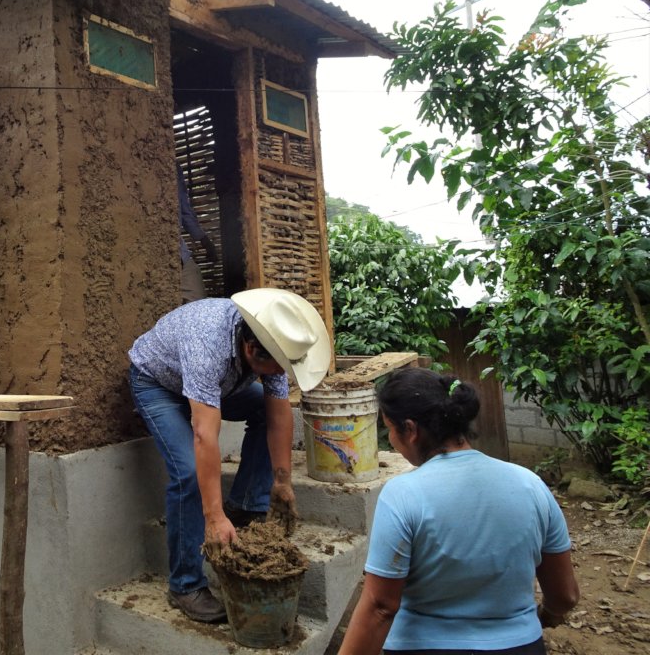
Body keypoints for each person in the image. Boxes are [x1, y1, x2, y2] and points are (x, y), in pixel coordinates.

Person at [338, 368, 580, 655]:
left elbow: (380, 607)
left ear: (411, 430)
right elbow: (565, 596)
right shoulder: (531, 485)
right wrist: (545, 616)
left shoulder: (402, 494)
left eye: (390, 429)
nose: (391, 439)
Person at [128, 288, 331, 623]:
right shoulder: (207, 341)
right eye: (273, 370)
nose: (278, 376)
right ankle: (185, 585)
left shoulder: (271, 346)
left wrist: (282, 481)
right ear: (251, 349)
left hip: (217, 383)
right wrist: (212, 517)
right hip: (158, 384)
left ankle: (246, 505)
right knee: (188, 471)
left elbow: (279, 415)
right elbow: (204, 435)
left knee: (264, 410)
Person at [177, 166, 216, 303]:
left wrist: (203, 240)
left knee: (196, 299)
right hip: (173, 252)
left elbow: (184, 210)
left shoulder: (173, 167)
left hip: (180, 252)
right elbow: (184, 210)